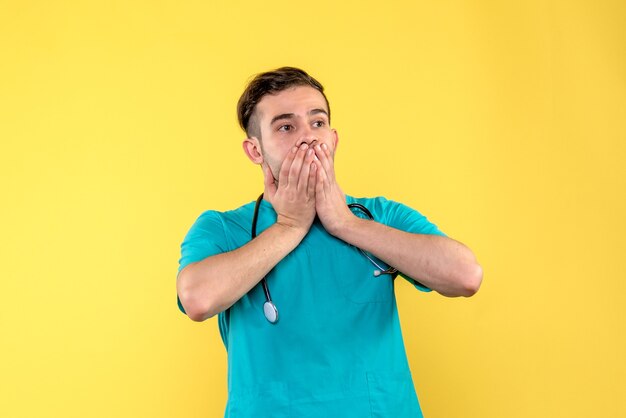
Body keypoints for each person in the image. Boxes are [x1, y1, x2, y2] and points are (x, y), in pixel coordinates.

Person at [176, 67, 483, 417]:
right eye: (286, 127)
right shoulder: (222, 228)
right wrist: (288, 227)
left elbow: (466, 275)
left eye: (317, 123)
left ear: (334, 139)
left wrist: (346, 223)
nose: (308, 137)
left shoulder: (378, 216)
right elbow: (197, 298)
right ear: (255, 151)